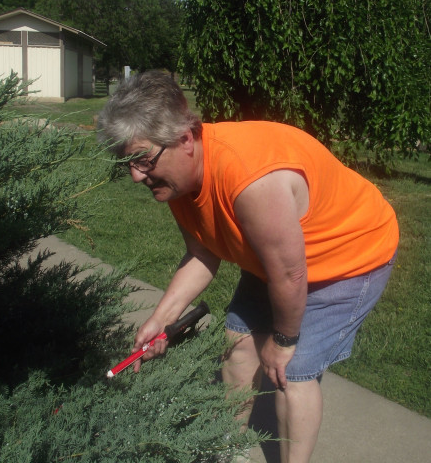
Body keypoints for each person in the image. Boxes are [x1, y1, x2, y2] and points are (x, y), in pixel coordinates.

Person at [97, 71, 399, 463]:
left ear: (185, 139)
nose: (137, 175)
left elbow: (290, 275)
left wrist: (283, 341)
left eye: (143, 160)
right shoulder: (175, 179)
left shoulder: (251, 179)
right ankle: (226, 448)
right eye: (128, 162)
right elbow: (203, 253)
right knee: (238, 345)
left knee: (292, 373)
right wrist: (161, 319)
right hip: (279, 258)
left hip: (349, 256)